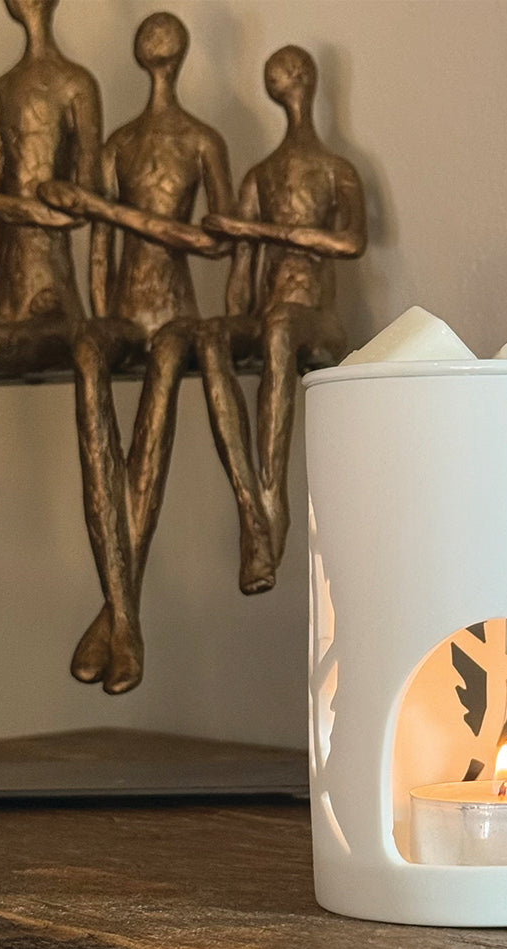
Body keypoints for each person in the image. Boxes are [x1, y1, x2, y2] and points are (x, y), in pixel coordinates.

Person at [38, 12, 235, 694]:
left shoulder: (204, 140)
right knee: (88, 359)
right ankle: (124, 619)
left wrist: (108, 209)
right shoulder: (118, 144)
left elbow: (217, 240)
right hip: (121, 312)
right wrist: (96, 310)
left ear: (173, 56)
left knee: (151, 424)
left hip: (173, 317)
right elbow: (98, 249)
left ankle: (119, 620)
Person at [0, 0, 101, 732]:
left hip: (52, 298)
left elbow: (85, 202)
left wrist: (98, 309)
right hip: (8, 298)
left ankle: (115, 607)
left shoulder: (63, 82)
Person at [196, 46, 366, 589]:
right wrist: (231, 320)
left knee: (280, 326)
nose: (288, 82)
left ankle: (275, 510)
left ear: (309, 82)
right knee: (211, 334)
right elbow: (242, 272)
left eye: (292, 74)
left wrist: (261, 231)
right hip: (272, 317)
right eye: (280, 76)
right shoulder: (260, 176)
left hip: (316, 318)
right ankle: (252, 508)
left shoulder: (337, 170)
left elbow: (350, 242)